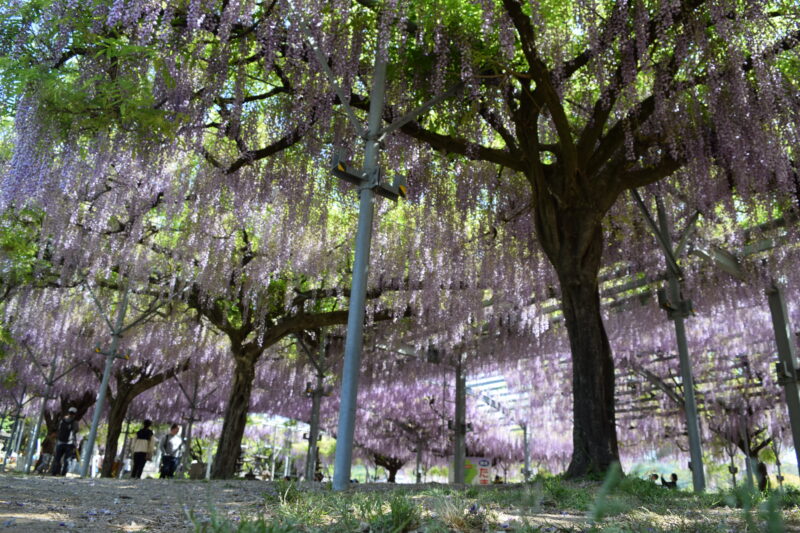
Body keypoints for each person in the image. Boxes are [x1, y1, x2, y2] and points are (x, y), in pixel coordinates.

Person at [51, 407, 79, 476]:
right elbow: (76, 431)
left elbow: (57, 429)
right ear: (75, 414)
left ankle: (55, 472)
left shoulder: (62, 420)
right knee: (67, 459)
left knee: (57, 458)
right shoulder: (75, 422)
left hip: (60, 442)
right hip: (69, 443)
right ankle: (63, 473)